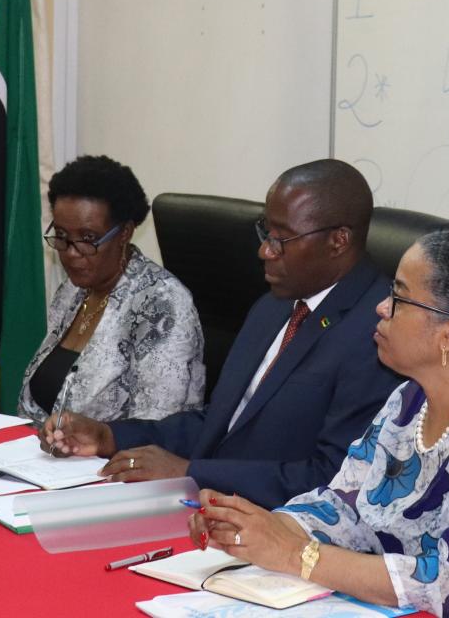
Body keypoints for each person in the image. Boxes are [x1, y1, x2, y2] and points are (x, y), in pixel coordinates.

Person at [189, 227, 449, 618]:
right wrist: (262, 526)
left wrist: (295, 554)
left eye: (399, 297)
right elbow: (345, 506)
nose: (381, 308)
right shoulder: (408, 400)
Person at [41, 159, 399, 508]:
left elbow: (334, 477)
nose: (264, 251)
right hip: (209, 508)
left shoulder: (378, 333)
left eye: (282, 239)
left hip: (282, 531)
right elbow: (218, 424)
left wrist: (193, 473)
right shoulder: (273, 307)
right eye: (265, 233)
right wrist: (109, 436)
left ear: (338, 240)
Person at [15, 154, 205, 422]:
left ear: (125, 233)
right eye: (61, 235)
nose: (70, 253)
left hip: (112, 461)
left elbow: (156, 426)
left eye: (88, 238)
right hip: (38, 456)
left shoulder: (162, 305)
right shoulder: (72, 290)